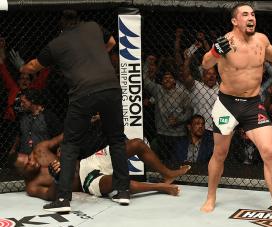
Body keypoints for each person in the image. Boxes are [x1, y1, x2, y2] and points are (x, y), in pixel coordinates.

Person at [200, 3, 272, 220]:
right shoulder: (226, 42)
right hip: (227, 104)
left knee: (269, 152)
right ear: (235, 21)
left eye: (253, 14)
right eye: (245, 14)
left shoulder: (261, 40)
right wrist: (215, 51)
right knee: (220, 153)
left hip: (253, 104)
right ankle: (210, 196)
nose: (251, 17)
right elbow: (206, 64)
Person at [19, 10, 130, 211]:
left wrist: (22, 69)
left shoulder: (57, 43)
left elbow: (34, 66)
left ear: (61, 24)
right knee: (116, 139)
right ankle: (122, 191)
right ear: (79, 20)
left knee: (70, 145)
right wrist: (94, 60)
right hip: (110, 88)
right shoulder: (94, 27)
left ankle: (63, 199)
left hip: (83, 92)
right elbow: (112, 42)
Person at [10, 130, 190, 203]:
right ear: (21, 172)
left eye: (29, 157)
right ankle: (160, 187)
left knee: (136, 143)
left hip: (88, 162)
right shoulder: (32, 187)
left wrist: (66, 150)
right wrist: (58, 179)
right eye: (27, 164)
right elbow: (51, 196)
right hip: (86, 181)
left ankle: (167, 174)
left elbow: (64, 137)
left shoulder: (40, 150)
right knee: (120, 181)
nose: (32, 160)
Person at [9, 88, 62, 156]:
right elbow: (19, 135)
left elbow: (59, 135)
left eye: (23, 102)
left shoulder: (48, 116)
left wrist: (59, 151)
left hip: (43, 157)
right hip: (25, 157)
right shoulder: (22, 117)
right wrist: (13, 149)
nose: (21, 104)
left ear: (32, 100)